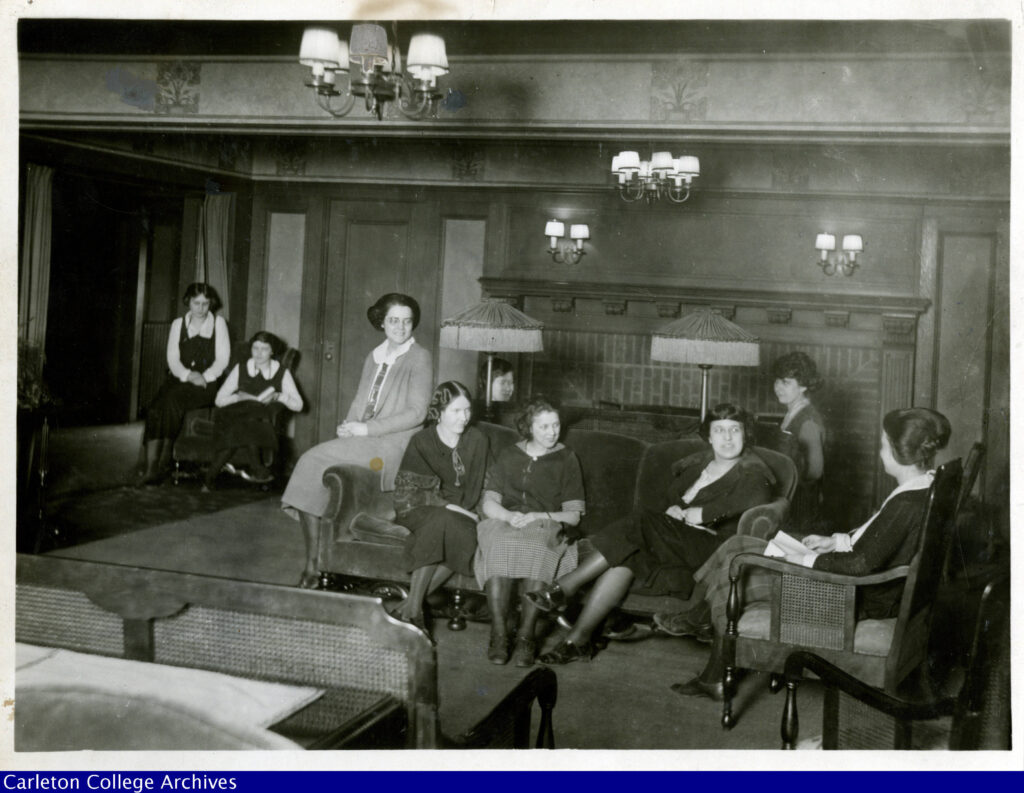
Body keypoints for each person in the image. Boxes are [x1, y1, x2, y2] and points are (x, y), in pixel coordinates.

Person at [663, 407, 951, 701]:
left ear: (899, 453)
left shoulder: (905, 503)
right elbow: (878, 540)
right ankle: (701, 618)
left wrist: (802, 560)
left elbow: (861, 564)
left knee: (737, 563)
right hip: (863, 588)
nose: (880, 453)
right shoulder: (923, 487)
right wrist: (835, 542)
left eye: (882, 446)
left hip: (854, 597)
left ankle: (712, 662)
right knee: (738, 545)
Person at [525, 403, 775, 665]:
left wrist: (702, 513)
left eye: (734, 430)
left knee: (640, 521)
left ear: (745, 434)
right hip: (677, 544)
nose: (727, 438)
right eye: (719, 430)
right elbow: (670, 498)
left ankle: (564, 587)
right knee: (624, 558)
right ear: (709, 437)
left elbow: (759, 495)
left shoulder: (752, 471)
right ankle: (577, 640)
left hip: (712, 551)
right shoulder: (698, 466)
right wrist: (675, 508)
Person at [281, 293, 432, 589]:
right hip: (366, 439)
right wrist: (348, 426)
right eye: (393, 320)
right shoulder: (374, 356)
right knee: (310, 462)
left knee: (310, 460)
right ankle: (316, 560)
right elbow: (360, 401)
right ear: (381, 322)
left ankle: (315, 565)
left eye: (407, 321)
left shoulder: (420, 357)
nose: (400, 327)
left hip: (395, 445)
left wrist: (366, 429)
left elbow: (417, 413)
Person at [475, 398, 585, 667]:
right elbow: (489, 503)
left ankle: (526, 636)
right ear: (528, 428)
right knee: (499, 543)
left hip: (544, 522)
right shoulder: (508, 454)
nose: (552, 432)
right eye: (544, 426)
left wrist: (539, 516)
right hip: (505, 520)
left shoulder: (567, 458)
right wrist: (507, 516)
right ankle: (499, 634)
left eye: (555, 425)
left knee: (537, 546)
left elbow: (573, 515)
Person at [389, 382, 492, 643]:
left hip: (463, 514)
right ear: (439, 411)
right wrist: (454, 508)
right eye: (456, 411)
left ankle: (409, 611)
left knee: (460, 530)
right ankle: (413, 611)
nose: (464, 417)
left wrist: (480, 515)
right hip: (419, 507)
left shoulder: (477, 440)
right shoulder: (421, 441)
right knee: (443, 519)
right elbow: (408, 492)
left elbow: (486, 485)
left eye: (467, 410)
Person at [138, 283, 231, 486]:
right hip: (180, 379)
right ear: (188, 302)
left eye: (205, 304)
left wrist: (204, 377)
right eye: (196, 303)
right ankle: (152, 467)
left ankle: (161, 464)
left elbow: (223, 360)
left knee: (171, 400)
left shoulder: (219, 324)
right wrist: (189, 375)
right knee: (155, 408)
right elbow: (172, 359)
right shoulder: (178, 324)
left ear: (211, 304)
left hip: (207, 384)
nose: (201, 308)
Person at [205, 331, 303, 489]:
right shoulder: (241, 369)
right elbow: (219, 400)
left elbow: (298, 405)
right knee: (250, 413)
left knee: (251, 416)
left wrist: (278, 396)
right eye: (255, 348)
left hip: (258, 423)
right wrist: (238, 397)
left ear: (272, 351)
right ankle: (257, 467)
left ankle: (210, 477)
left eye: (264, 349)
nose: (258, 353)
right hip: (233, 416)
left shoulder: (281, 372)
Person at [771, 351, 827, 526]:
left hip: (800, 505)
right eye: (777, 381)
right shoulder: (793, 413)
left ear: (803, 386)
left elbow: (815, 472)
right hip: (787, 497)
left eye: (786, 382)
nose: (778, 387)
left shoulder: (808, 421)